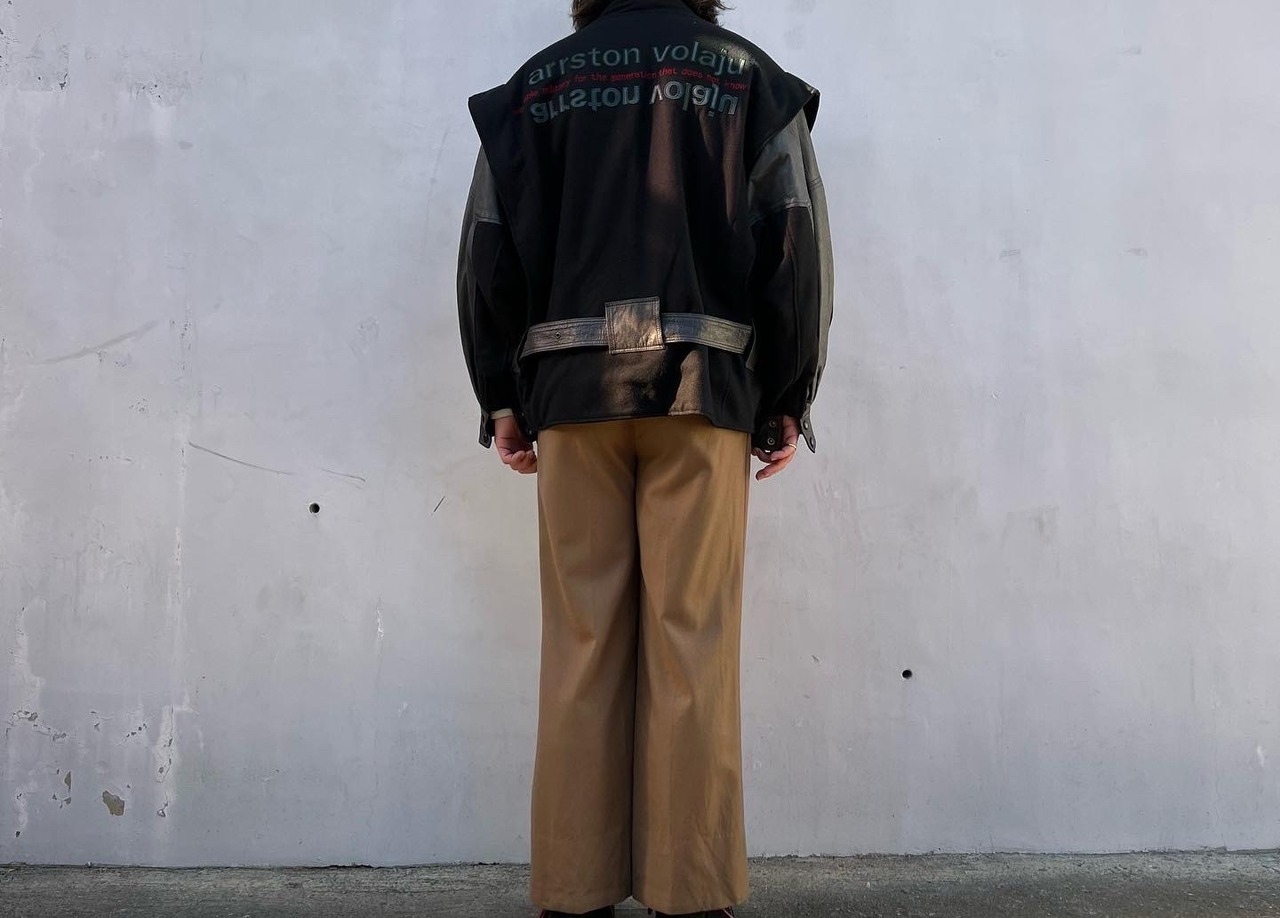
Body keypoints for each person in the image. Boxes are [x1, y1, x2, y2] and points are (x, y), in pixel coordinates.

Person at [457, 0, 833, 915]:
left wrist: (500, 394)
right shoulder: (750, 79)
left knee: (581, 645)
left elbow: (486, 250)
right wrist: (788, 393)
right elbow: (794, 243)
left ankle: (573, 892)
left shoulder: (534, 89)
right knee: (690, 639)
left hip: (572, 396)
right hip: (702, 394)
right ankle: (689, 894)